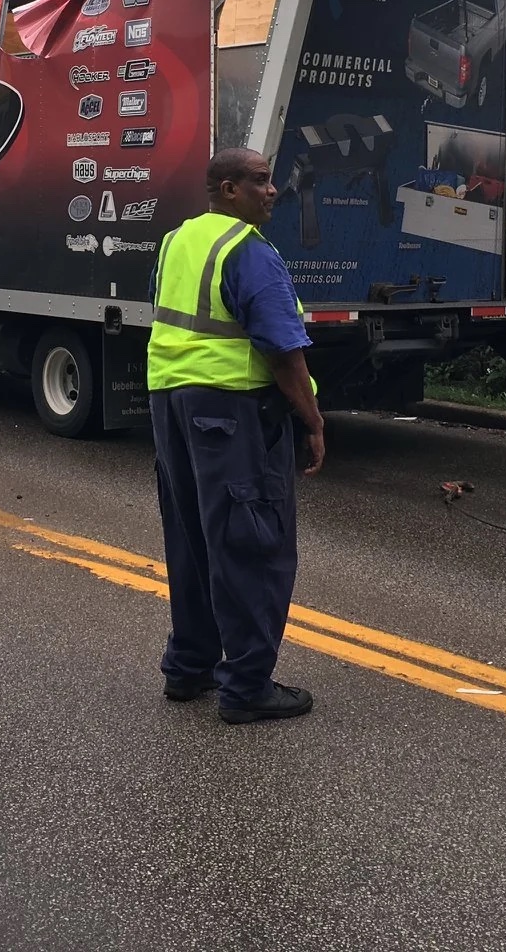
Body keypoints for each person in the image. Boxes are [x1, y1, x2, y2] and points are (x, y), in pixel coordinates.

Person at [146, 147, 326, 724]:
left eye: (270, 181)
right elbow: (281, 348)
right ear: (226, 189)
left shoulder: (178, 241)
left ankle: (189, 667)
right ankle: (247, 686)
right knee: (251, 544)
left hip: (171, 403)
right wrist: (313, 419)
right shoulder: (248, 251)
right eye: (259, 181)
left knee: (193, 536)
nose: (272, 191)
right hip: (231, 411)